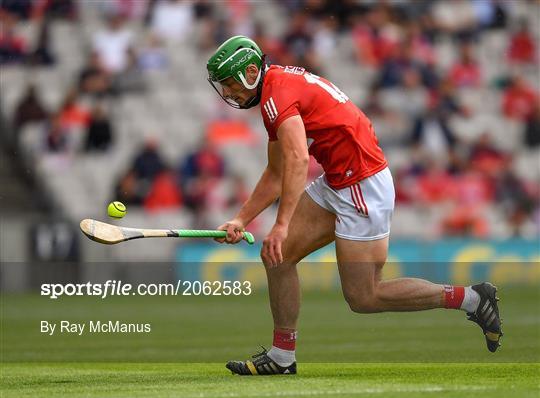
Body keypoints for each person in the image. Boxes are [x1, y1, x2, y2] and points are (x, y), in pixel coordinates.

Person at [207, 36, 503, 376]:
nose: (228, 93)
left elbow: (298, 160)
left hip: (362, 185)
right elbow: (276, 172)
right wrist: (240, 218)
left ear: (249, 72)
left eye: (230, 83)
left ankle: (473, 299)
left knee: (365, 297)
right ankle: (282, 356)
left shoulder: (277, 95)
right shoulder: (275, 89)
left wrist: (281, 224)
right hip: (339, 180)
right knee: (278, 256)